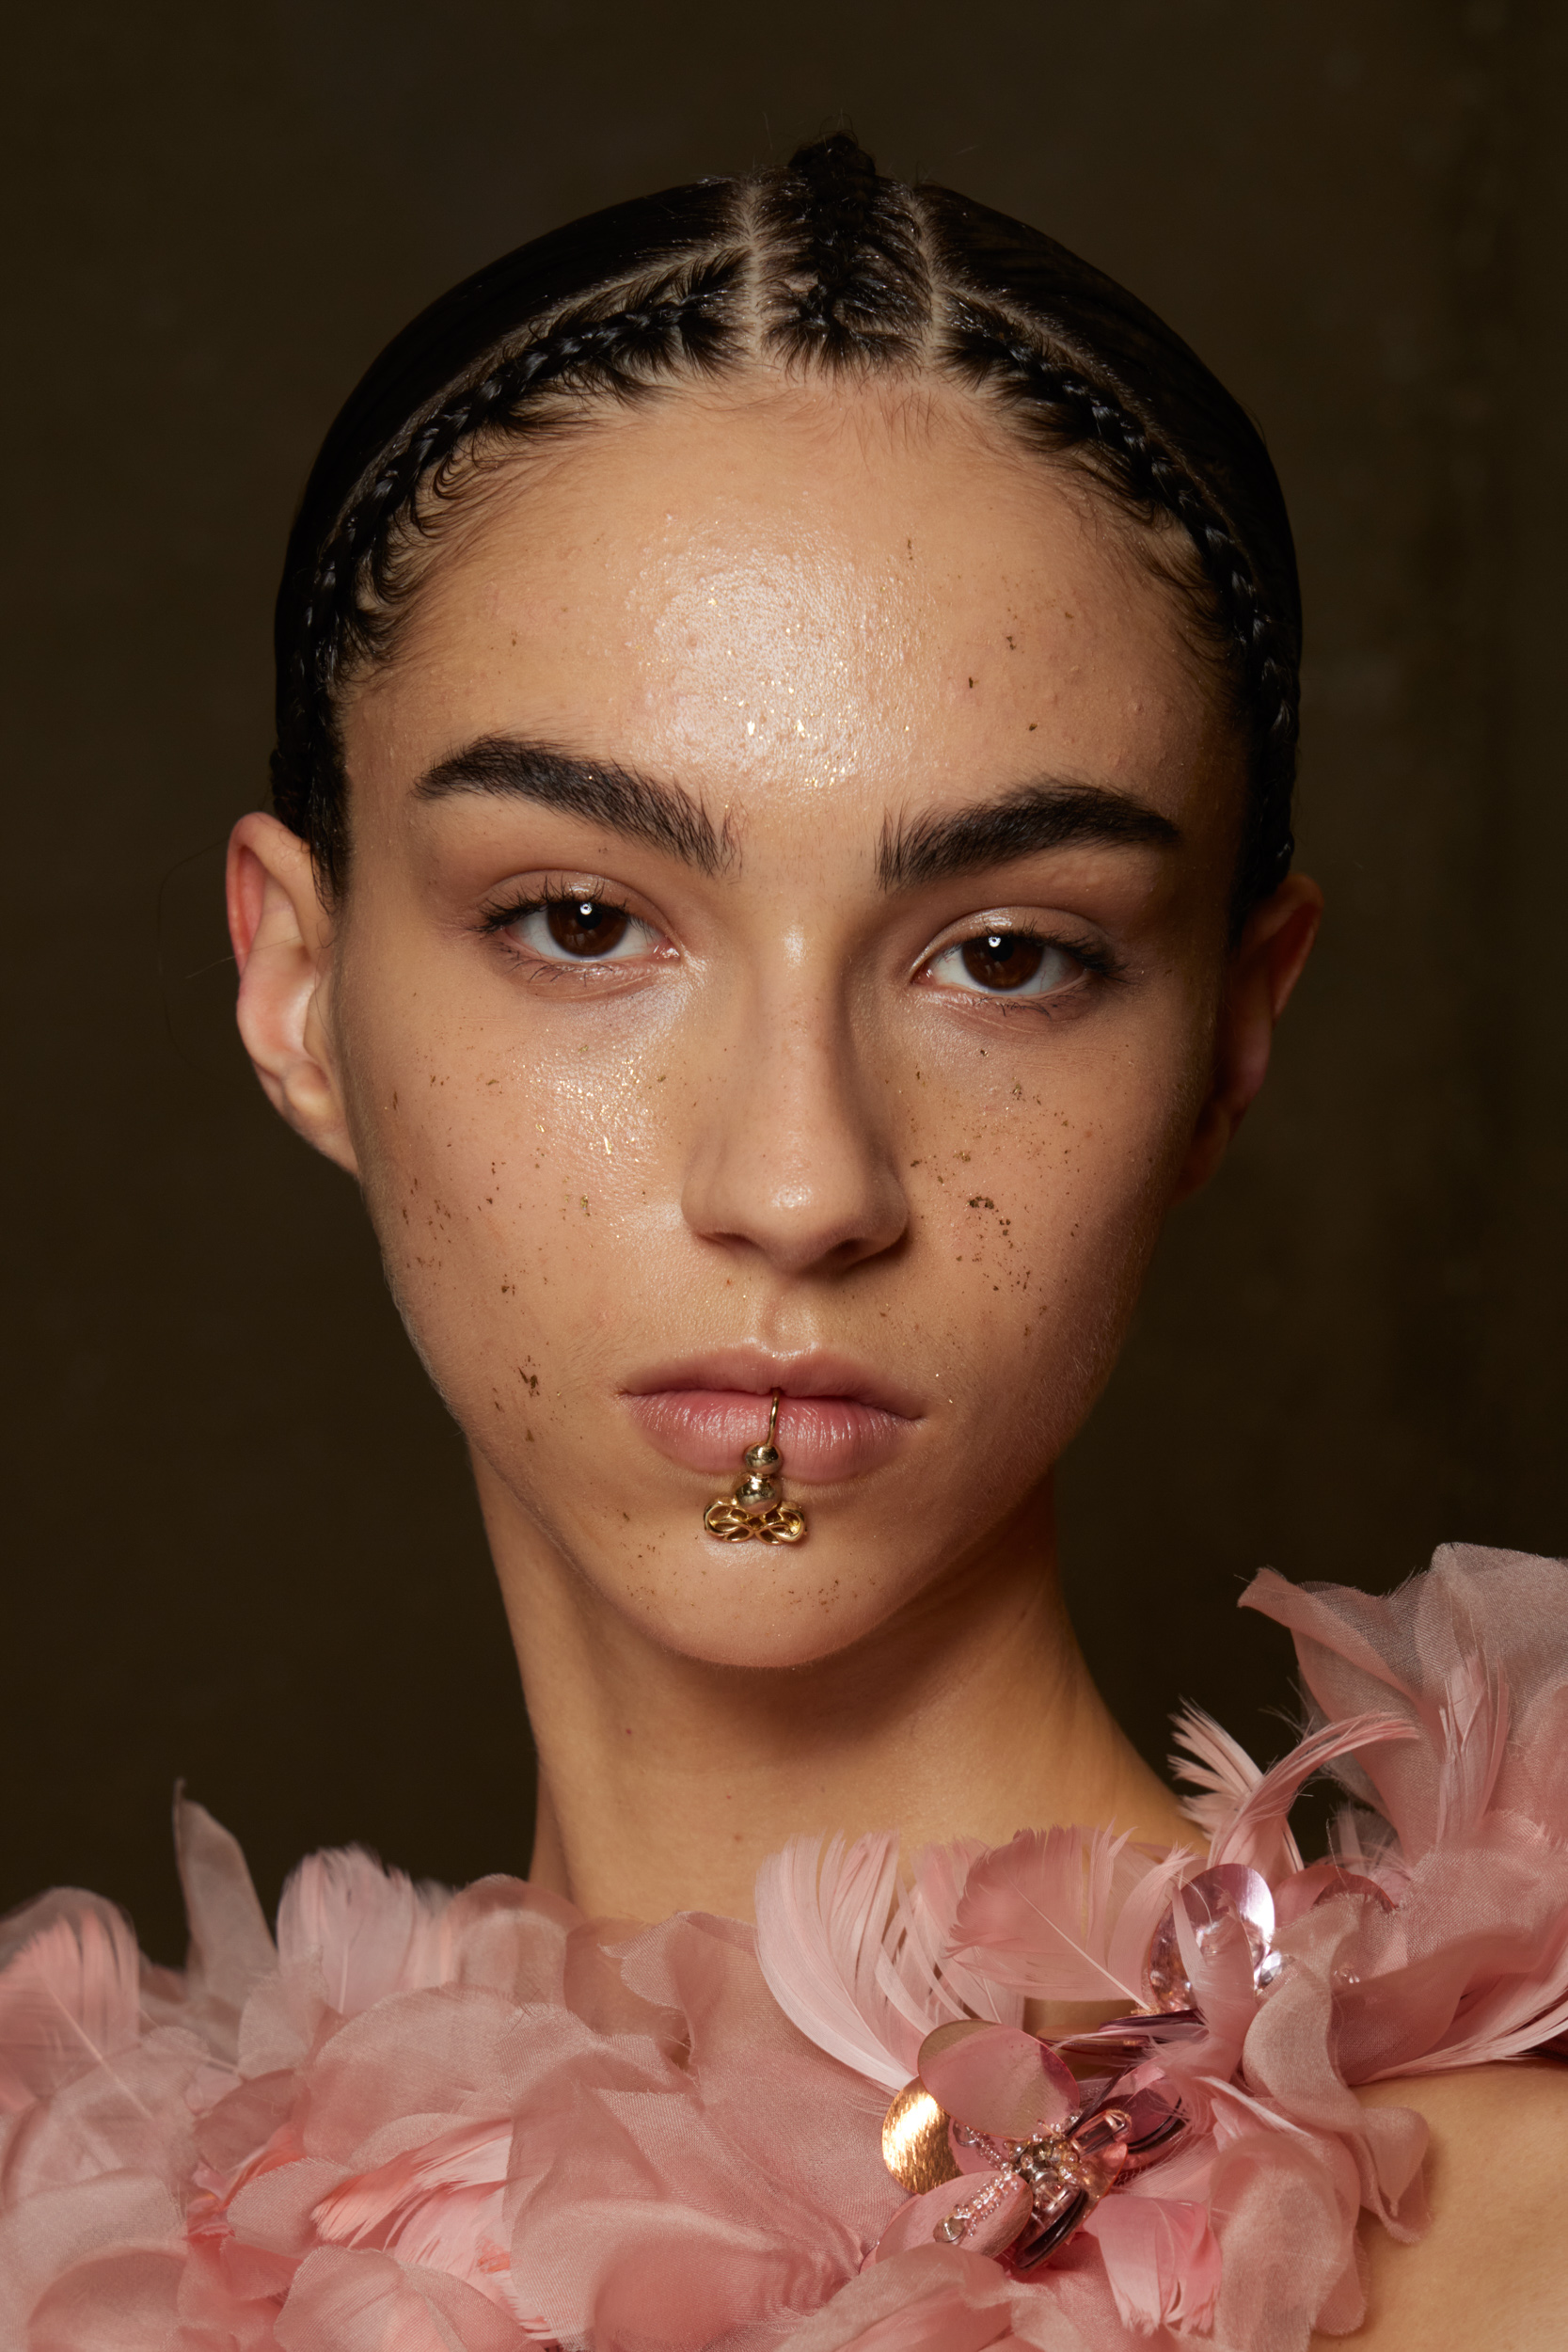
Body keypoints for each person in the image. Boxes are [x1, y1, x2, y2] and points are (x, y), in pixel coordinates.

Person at [1, 136, 1563, 2351]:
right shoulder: (87, 2260)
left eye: (1008, 955)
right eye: (581, 920)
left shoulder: (1510, 2259)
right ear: (296, 987)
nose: (805, 1181)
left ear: (1233, 1031)